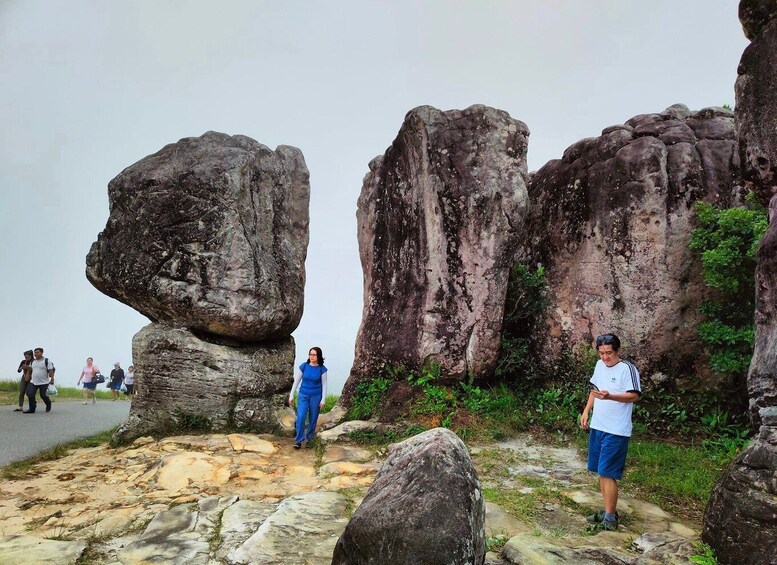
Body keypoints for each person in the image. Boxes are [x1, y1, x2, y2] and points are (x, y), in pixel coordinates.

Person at [580, 333, 641, 532]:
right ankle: (608, 511)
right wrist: (586, 411)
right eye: (601, 353)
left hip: (616, 430)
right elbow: (595, 389)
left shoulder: (627, 369)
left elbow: (634, 396)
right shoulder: (599, 366)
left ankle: (610, 518)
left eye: (609, 353)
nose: (605, 357)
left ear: (617, 350)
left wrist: (610, 396)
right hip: (598, 425)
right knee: (601, 471)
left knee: (608, 472)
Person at [288, 347, 328, 449]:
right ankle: (299, 440)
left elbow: (324, 385)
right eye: (310, 354)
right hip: (303, 395)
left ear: (318, 356)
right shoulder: (304, 366)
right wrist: (291, 395)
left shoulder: (322, 369)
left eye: (314, 355)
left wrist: (323, 399)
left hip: (316, 397)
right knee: (301, 417)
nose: (311, 356)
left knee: (313, 419)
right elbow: (296, 381)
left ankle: (310, 439)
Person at [24, 347, 55, 414]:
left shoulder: (47, 361)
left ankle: (48, 404)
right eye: (35, 353)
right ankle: (32, 409)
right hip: (33, 381)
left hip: (44, 382)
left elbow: (51, 370)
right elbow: (30, 369)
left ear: (42, 352)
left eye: (37, 352)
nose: (35, 354)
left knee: (43, 396)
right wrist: (27, 375)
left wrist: (52, 379)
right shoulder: (33, 361)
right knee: (30, 394)